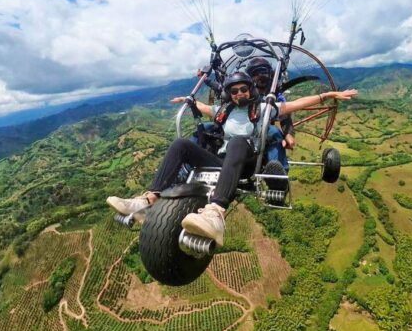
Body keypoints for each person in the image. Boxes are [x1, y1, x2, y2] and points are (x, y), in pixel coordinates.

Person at [107, 71, 358, 246]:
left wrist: (328, 96)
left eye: (243, 89)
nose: (239, 94)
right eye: (234, 91)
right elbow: (206, 109)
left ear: (250, 90)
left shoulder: (263, 109)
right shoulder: (224, 111)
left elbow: (298, 104)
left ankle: (215, 213)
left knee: (238, 142)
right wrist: (189, 101)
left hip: (250, 162)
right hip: (226, 162)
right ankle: (148, 200)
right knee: (181, 144)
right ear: (229, 93)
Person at [244, 57, 294, 177]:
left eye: (263, 73)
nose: (260, 77)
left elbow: (284, 114)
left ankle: (278, 176)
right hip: (243, 127)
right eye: (255, 74)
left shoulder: (275, 94)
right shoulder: (244, 91)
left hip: (264, 129)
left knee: (273, 132)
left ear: (270, 75)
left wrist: (288, 134)